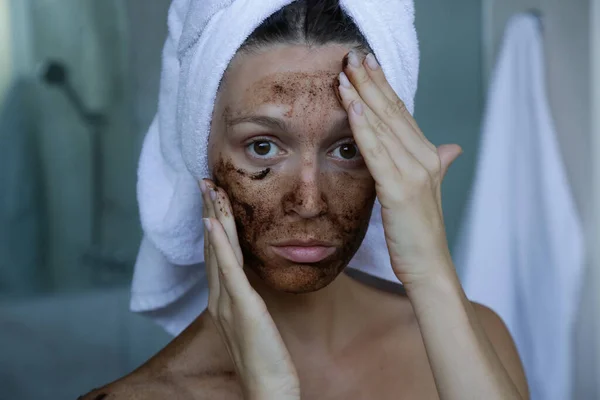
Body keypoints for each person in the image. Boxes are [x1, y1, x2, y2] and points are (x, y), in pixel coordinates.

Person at [80, 1, 528, 399]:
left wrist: (430, 270)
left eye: (347, 149)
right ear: (199, 148)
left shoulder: (474, 344)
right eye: (262, 146)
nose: (310, 201)